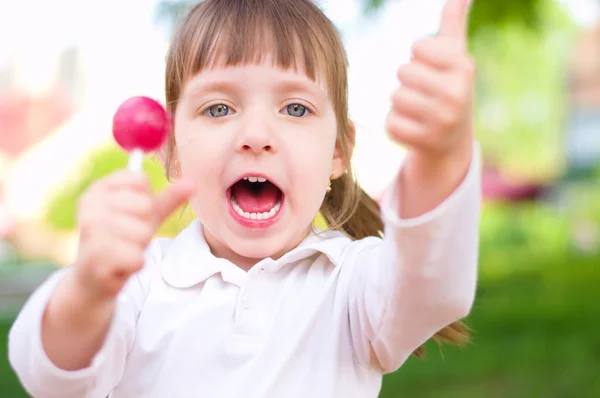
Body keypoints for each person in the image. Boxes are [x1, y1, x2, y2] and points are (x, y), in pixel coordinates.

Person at [8, 0, 480, 396]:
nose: (255, 136)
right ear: (172, 152)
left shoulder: (353, 287)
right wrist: (89, 293)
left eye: (295, 108)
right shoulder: (140, 283)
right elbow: (49, 377)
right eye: (219, 108)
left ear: (338, 152)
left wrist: (441, 157)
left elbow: (433, 289)